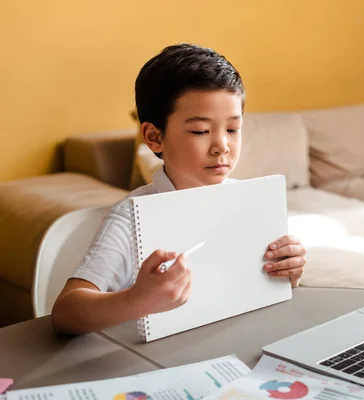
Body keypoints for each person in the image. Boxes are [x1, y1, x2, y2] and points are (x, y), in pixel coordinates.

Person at [51, 44, 307, 334]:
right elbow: (65, 312)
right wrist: (136, 300)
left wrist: (287, 272)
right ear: (154, 137)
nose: (221, 145)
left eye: (233, 129)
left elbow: (252, 291)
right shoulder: (132, 219)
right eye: (200, 131)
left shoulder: (249, 203)